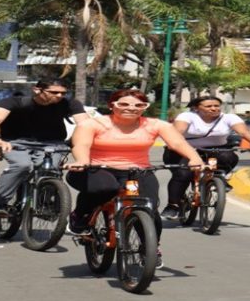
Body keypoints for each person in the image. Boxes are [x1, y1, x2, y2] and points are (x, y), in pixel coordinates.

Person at [66, 88, 205, 268]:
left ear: (145, 107)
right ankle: (80, 216)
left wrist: (195, 158)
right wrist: (82, 160)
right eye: (123, 104)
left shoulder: (155, 124)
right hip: (95, 168)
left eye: (139, 105)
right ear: (112, 105)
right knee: (104, 188)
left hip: (138, 170)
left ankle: (150, 247)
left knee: (149, 208)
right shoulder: (93, 124)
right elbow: (82, 144)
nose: (131, 108)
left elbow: (177, 142)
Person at [0, 79, 90, 217]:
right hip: (16, 142)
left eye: (63, 93)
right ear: (37, 90)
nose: (59, 96)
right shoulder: (15, 102)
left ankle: (46, 203)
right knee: (22, 165)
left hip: (52, 143)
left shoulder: (69, 103)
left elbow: (86, 124)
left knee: (51, 170)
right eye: (54, 92)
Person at [160, 95, 250, 220]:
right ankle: (173, 206)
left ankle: (218, 178)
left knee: (229, 157)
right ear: (196, 108)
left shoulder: (229, 117)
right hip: (184, 149)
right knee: (183, 175)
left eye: (216, 106)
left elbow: (244, 132)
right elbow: (176, 134)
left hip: (215, 149)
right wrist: (178, 146)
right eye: (208, 106)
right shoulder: (187, 116)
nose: (213, 108)